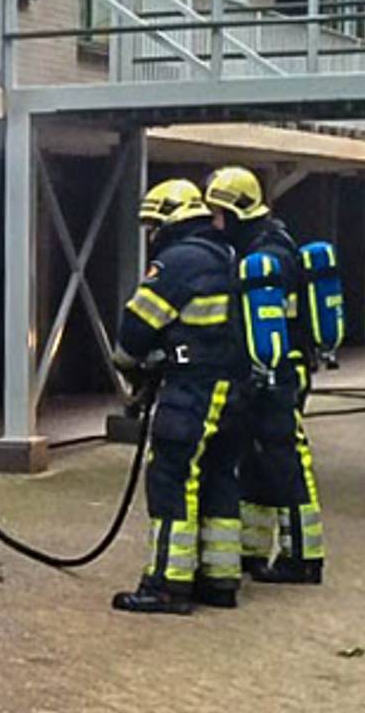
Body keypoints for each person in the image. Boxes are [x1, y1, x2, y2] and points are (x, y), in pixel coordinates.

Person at [111, 179, 246, 615]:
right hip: (233, 389)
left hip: (192, 388)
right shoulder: (226, 254)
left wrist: (133, 363)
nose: (151, 235)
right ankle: (220, 579)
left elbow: (134, 332)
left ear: (171, 219)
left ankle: (167, 584)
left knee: (172, 477)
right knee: (219, 476)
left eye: (154, 224)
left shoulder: (177, 262)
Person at [204, 166, 325, 584]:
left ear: (237, 211)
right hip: (267, 370)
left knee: (285, 460)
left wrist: (264, 373)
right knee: (253, 459)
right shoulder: (265, 243)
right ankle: (253, 551)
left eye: (218, 214)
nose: (215, 223)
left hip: (277, 372)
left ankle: (303, 557)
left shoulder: (266, 255)